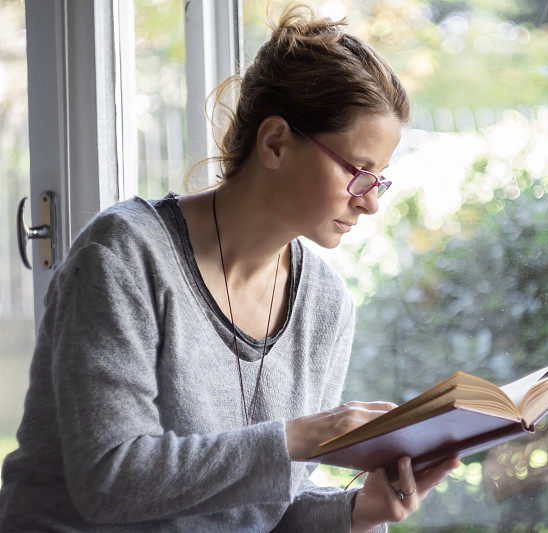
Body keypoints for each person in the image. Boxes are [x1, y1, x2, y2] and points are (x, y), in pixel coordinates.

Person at [0, 2, 459, 531]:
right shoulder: (125, 255)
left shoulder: (325, 304)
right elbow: (109, 481)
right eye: (360, 172)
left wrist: (355, 512)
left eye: (379, 181)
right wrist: (303, 436)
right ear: (275, 142)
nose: (370, 202)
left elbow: (265, 510)